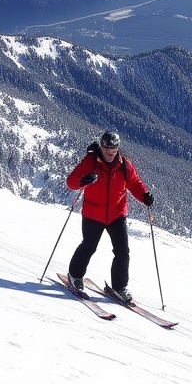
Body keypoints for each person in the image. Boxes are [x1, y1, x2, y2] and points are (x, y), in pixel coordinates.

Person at [65, 130, 153, 303]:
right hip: (93, 214)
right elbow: (71, 181)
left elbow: (134, 183)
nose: (110, 153)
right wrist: (83, 181)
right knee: (89, 247)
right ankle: (75, 275)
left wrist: (144, 195)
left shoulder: (124, 165)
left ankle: (119, 287)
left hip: (116, 214)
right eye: (106, 150)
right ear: (101, 146)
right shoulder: (91, 162)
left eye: (113, 150)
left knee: (122, 252)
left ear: (117, 149)